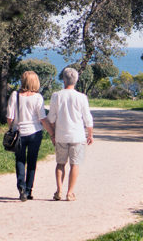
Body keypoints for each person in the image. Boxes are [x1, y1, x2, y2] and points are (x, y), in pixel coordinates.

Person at [47, 67, 94, 202]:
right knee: (75, 164)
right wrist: (90, 134)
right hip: (77, 136)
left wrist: (53, 133)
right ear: (76, 80)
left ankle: (59, 190)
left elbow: (51, 118)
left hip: (61, 135)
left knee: (60, 164)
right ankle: (70, 192)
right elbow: (87, 118)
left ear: (63, 79)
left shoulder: (56, 96)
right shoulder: (82, 97)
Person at [6, 71, 54, 202]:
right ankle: (28, 190)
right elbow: (42, 118)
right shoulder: (38, 97)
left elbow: (9, 117)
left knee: (20, 160)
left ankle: (21, 187)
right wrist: (52, 134)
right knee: (32, 162)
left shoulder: (15, 95)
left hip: (19, 133)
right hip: (35, 133)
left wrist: (12, 129)